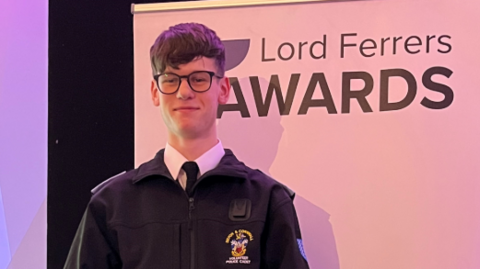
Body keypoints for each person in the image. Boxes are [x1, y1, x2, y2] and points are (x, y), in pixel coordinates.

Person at [64, 22, 309, 269]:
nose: (184, 92)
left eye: (198, 79)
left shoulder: (268, 201)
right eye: (171, 80)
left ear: (223, 89)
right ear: (154, 92)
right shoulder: (112, 204)